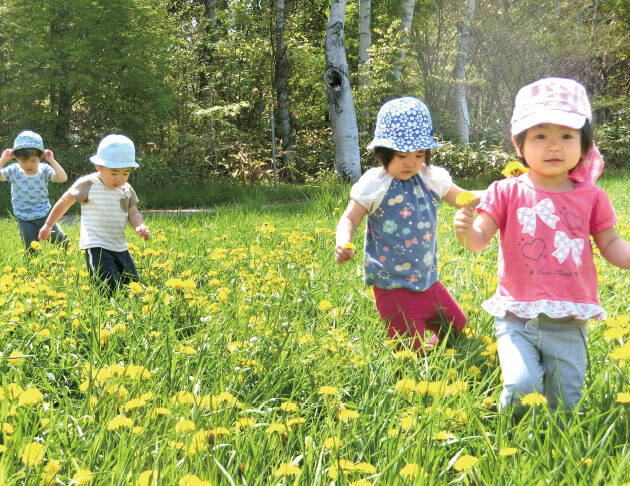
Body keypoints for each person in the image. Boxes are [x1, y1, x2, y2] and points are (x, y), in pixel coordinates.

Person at [454, 77, 630, 415]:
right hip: (516, 316)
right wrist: (466, 232)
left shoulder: (592, 197)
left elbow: (610, 243)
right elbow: (478, 240)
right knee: (522, 386)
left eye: (566, 136)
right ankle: (511, 432)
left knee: (566, 401)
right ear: (519, 145)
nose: (553, 146)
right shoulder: (506, 192)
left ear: (584, 144)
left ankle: (559, 442)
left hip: (569, 319)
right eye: (540, 136)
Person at [335, 97, 481, 352]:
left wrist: (504, 193)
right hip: (393, 288)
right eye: (402, 155)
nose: (411, 163)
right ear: (383, 152)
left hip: (429, 283)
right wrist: (343, 241)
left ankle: (432, 345)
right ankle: (420, 347)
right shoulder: (374, 184)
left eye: (419, 154)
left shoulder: (431, 177)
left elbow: (463, 198)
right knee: (410, 355)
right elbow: (350, 218)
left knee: (460, 332)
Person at [39, 134, 150, 296]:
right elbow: (65, 201)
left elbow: (132, 212)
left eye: (125, 173)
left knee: (133, 284)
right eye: (114, 173)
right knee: (108, 287)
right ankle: (107, 307)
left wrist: (139, 225)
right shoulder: (88, 184)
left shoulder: (126, 188)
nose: (119, 178)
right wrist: (49, 225)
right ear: (99, 167)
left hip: (120, 245)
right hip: (96, 245)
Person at [0, 130, 68, 252]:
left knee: (62, 241)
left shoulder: (44, 170)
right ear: (16, 158)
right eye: (23, 161)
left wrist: (52, 160)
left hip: (45, 216)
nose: (28, 165)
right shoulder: (13, 171)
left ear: (41, 157)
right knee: (31, 250)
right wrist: (3, 160)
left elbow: (63, 178)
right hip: (23, 218)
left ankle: (70, 255)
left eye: (33, 161)